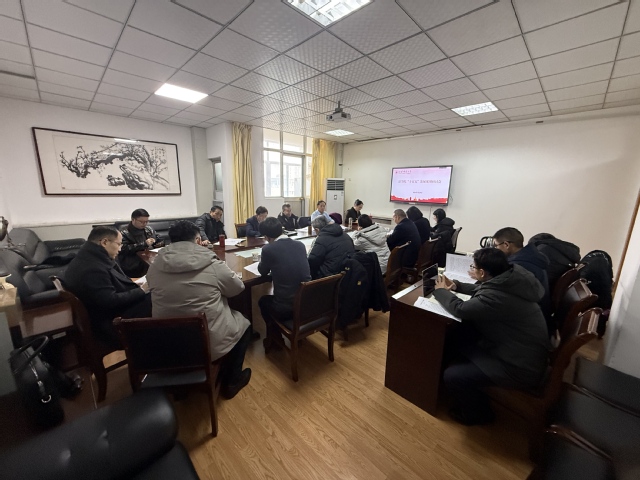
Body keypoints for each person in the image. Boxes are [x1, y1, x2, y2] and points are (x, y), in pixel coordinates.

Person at [433, 248, 550, 425]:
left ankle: (478, 414)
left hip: (517, 366)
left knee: (453, 375)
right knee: (461, 337)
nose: (471, 269)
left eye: (473, 267)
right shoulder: (512, 278)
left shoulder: (496, 297)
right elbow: (483, 289)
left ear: (482, 272)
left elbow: (460, 309)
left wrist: (442, 292)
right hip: (521, 351)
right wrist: (456, 285)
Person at [146, 221, 251, 399]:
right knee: (244, 323)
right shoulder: (211, 262)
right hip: (205, 341)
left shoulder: (155, 265)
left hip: (166, 340)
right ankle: (232, 380)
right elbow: (237, 288)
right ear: (197, 239)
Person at [64, 226, 151, 349]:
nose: (120, 249)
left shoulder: (88, 257)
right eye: (119, 244)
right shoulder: (92, 268)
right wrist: (142, 290)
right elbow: (110, 300)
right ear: (104, 242)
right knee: (158, 299)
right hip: (110, 324)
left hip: (105, 313)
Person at [257, 217, 311, 353]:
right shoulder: (300, 245)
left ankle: (275, 339)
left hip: (286, 308)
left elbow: (262, 271)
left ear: (266, 237)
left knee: (263, 301)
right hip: (306, 303)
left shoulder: (268, 249)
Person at [493, 227, 552, 333]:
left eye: (496, 246)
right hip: (539, 314)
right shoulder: (532, 256)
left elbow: (500, 292)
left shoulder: (519, 266)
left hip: (527, 324)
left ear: (506, 245)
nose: (495, 249)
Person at [119, 208, 164, 277]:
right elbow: (123, 249)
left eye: (147, 221)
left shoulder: (149, 229)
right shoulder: (123, 232)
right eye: (141, 222)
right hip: (133, 262)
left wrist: (159, 243)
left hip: (150, 258)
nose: (144, 224)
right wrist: (144, 244)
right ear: (133, 219)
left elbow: (158, 239)